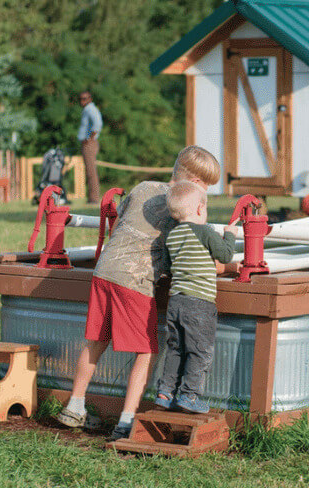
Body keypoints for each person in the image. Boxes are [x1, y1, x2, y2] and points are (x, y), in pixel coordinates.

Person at [55, 146, 221, 441]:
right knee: (146, 351)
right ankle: (126, 421)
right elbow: (193, 253)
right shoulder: (181, 210)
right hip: (135, 280)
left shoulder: (143, 187)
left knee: (95, 342)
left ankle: (75, 405)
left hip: (104, 271)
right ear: (195, 184)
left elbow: (117, 224)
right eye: (205, 189)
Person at [154, 182, 238, 414]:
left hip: (176, 301)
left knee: (176, 349)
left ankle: (165, 392)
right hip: (199, 303)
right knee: (199, 351)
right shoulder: (204, 232)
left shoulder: (171, 236)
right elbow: (225, 254)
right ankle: (189, 396)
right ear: (200, 209)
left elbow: (169, 268)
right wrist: (230, 236)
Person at [77, 91, 103, 204]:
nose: (82, 101)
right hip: (88, 143)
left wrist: (90, 138)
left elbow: (97, 124)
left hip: (89, 144)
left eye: (85, 98)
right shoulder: (87, 110)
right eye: (81, 98)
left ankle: (94, 198)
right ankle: (92, 197)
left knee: (91, 172)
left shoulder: (90, 109)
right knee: (89, 171)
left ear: (90, 99)